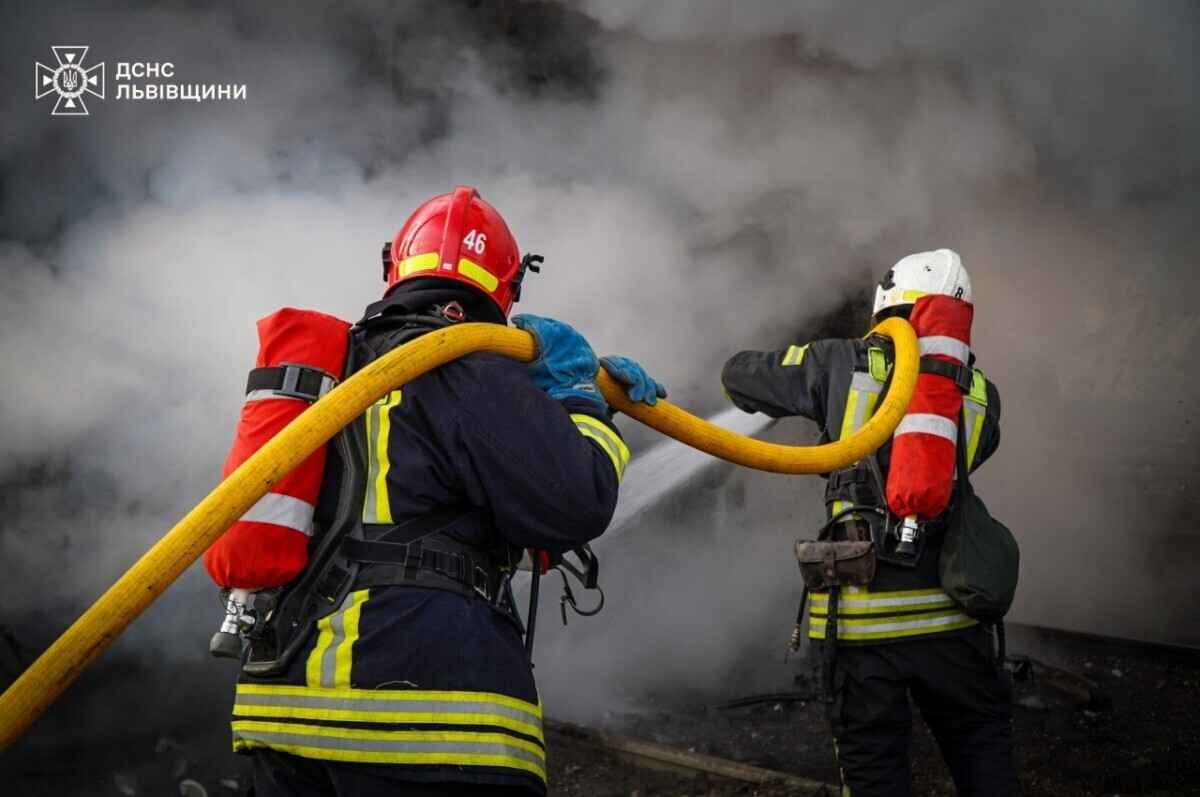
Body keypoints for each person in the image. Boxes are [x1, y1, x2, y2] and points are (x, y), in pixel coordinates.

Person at [227, 186, 664, 796]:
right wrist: (580, 400)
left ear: (394, 267)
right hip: (424, 716)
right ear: (509, 287)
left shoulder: (329, 374)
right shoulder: (474, 367)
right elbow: (577, 502)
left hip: (283, 709)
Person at [721, 249, 1018, 796]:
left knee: (875, 772)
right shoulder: (981, 393)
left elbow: (739, 378)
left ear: (888, 301)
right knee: (982, 748)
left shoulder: (840, 361)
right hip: (955, 621)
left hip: (863, 630)